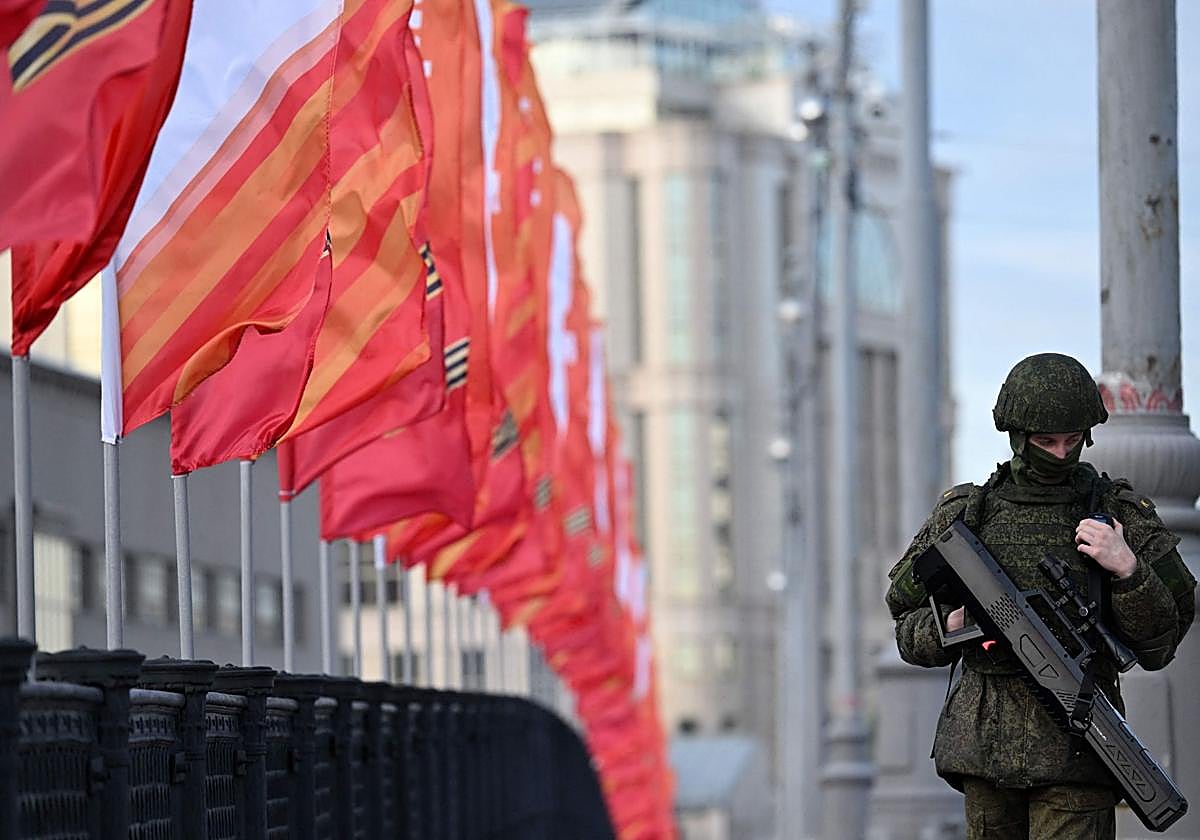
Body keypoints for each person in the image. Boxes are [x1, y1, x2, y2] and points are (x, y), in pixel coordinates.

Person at [885, 353, 1196, 840]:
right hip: (985, 750)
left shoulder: (1118, 513)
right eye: (1045, 441)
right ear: (1017, 437)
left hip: (1080, 748)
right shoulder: (968, 513)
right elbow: (903, 620)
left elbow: (1160, 644)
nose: (1059, 453)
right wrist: (949, 627)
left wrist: (1128, 569)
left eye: (1072, 441)